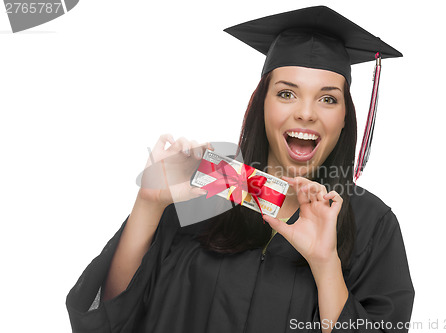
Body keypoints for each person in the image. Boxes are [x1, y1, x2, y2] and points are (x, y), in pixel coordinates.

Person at [66, 6, 414, 333]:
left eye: (328, 98)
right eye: (286, 93)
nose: (306, 113)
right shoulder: (208, 188)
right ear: (261, 104)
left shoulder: (372, 225)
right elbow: (113, 319)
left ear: (344, 119)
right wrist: (149, 205)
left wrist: (326, 266)